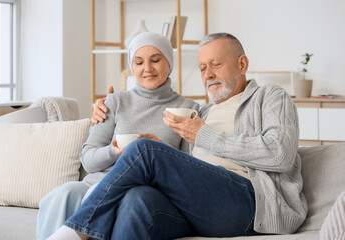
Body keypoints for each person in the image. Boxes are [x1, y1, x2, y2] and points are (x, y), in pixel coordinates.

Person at [48, 32, 308, 240]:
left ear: (242, 64)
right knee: (136, 199)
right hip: (201, 205)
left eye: (216, 64)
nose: (208, 74)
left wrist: (201, 135)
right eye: (203, 67)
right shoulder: (203, 111)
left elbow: (280, 154)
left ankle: (74, 231)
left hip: (248, 202)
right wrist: (165, 155)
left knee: (144, 148)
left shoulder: (270, 97)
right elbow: (191, 168)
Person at [37, 32, 198, 240]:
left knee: (101, 196)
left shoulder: (188, 109)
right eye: (138, 62)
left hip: (143, 190)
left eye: (155, 60)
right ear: (132, 67)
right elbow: (88, 159)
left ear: (170, 62)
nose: (147, 69)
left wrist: (161, 154)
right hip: (96, 181)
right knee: (62, 194)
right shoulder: (115, 102)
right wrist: (115, 151)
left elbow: (188, 170)